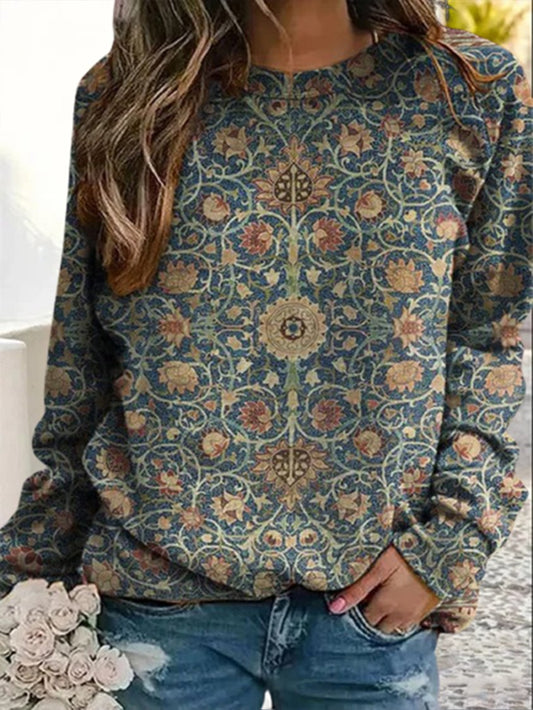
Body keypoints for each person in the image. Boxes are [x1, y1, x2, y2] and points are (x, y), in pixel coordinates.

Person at [1, 0, 531, 707]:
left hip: (368, 606)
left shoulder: (469, 91)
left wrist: (449, 543)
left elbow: (489, 337)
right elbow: (82, 357)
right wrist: (27, 575)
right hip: (157, 602)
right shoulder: (127, 94)